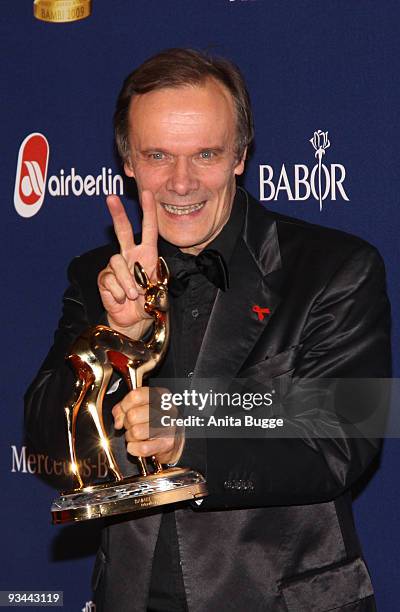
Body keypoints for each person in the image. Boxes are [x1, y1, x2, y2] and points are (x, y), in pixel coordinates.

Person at [25, 48, 391, 612]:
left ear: (241, 156)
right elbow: (50, 441)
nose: (181, 182)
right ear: (127, 161)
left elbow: (341, 441)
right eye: (157, 155)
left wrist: (188, 429)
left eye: (206, 154)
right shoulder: (97, 275)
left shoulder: (335, 267)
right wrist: (120, 338)